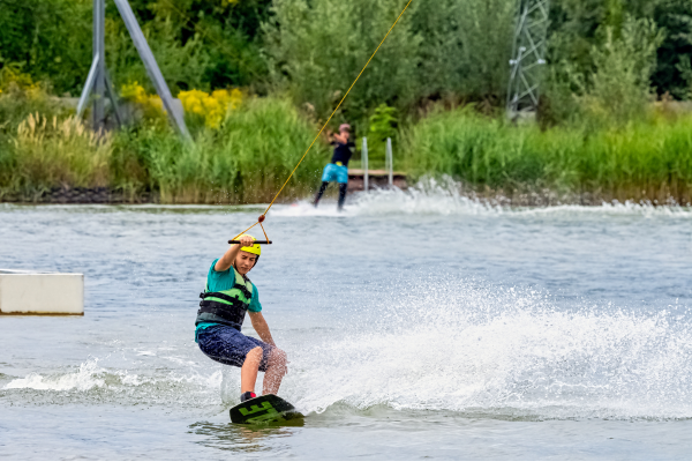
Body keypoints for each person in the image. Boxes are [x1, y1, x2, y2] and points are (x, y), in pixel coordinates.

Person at [195, 234, 287, 402]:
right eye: (243, 257)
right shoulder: (221, 273)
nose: (247, 263)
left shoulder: (251, 289)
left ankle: (269, 401)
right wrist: (238, 245)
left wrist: (272, 347)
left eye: (252, 259)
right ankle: (248, 399)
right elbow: (225, 259)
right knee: (254, 351)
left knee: (279, 357)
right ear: (235, 256)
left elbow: (258, 321)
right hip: (210, 335)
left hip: (230, 337)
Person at [314, 123, 355, 210]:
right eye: (344, 132)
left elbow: (343, 141)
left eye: (347, 132)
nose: (345, 134)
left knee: (343, 188)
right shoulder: (335, 142)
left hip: (342, 169)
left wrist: (336, 134)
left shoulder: (350, 144)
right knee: (324, 184)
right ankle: (315, 203)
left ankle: (340, 207)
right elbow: (327, 142)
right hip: (331, 167)